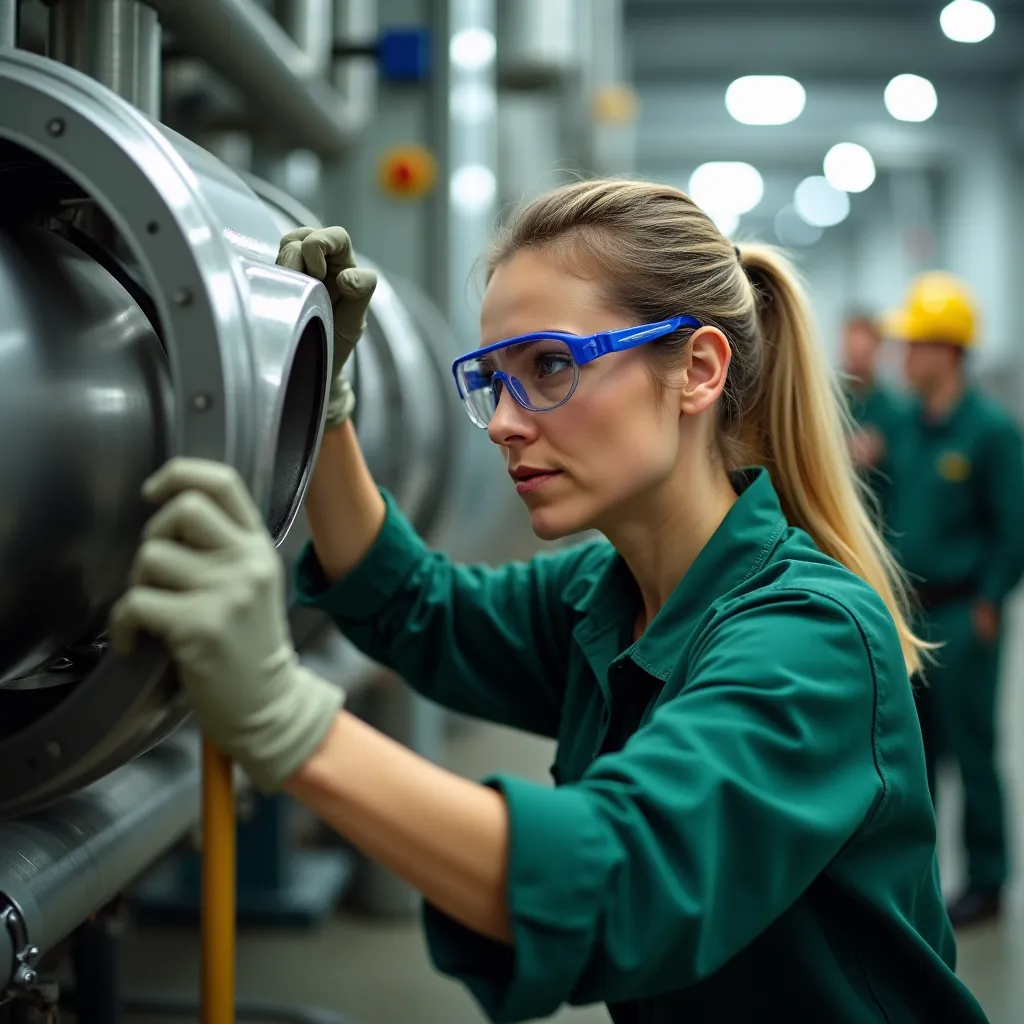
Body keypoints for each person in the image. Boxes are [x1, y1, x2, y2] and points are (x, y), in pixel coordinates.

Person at [109, 181, 989, 1022]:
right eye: (494, 377)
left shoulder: (811, 637)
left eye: (552, 365)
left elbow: (623, 880)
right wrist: (327, 403)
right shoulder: (605, 595)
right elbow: (418, 606)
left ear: (697, 371)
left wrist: (282, 721)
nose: (502, 421)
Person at [886, 271, 1024, 929]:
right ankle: (925, 877)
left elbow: (1014, 526)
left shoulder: (991, 433)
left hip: (966, 614)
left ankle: (990, 879)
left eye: (915, 344)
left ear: (947, 351)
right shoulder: (904, 427)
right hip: (909, 615)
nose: (904, 356)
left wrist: (991, 600)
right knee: (917, 752)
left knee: (972, 751)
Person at [841, 312, 905, 523]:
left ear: (877, 349)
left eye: (864, 352)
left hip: (879, 518)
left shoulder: (894, 410)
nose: (857, 360)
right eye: (852, 352)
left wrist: (883, 451)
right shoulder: (827, 401)